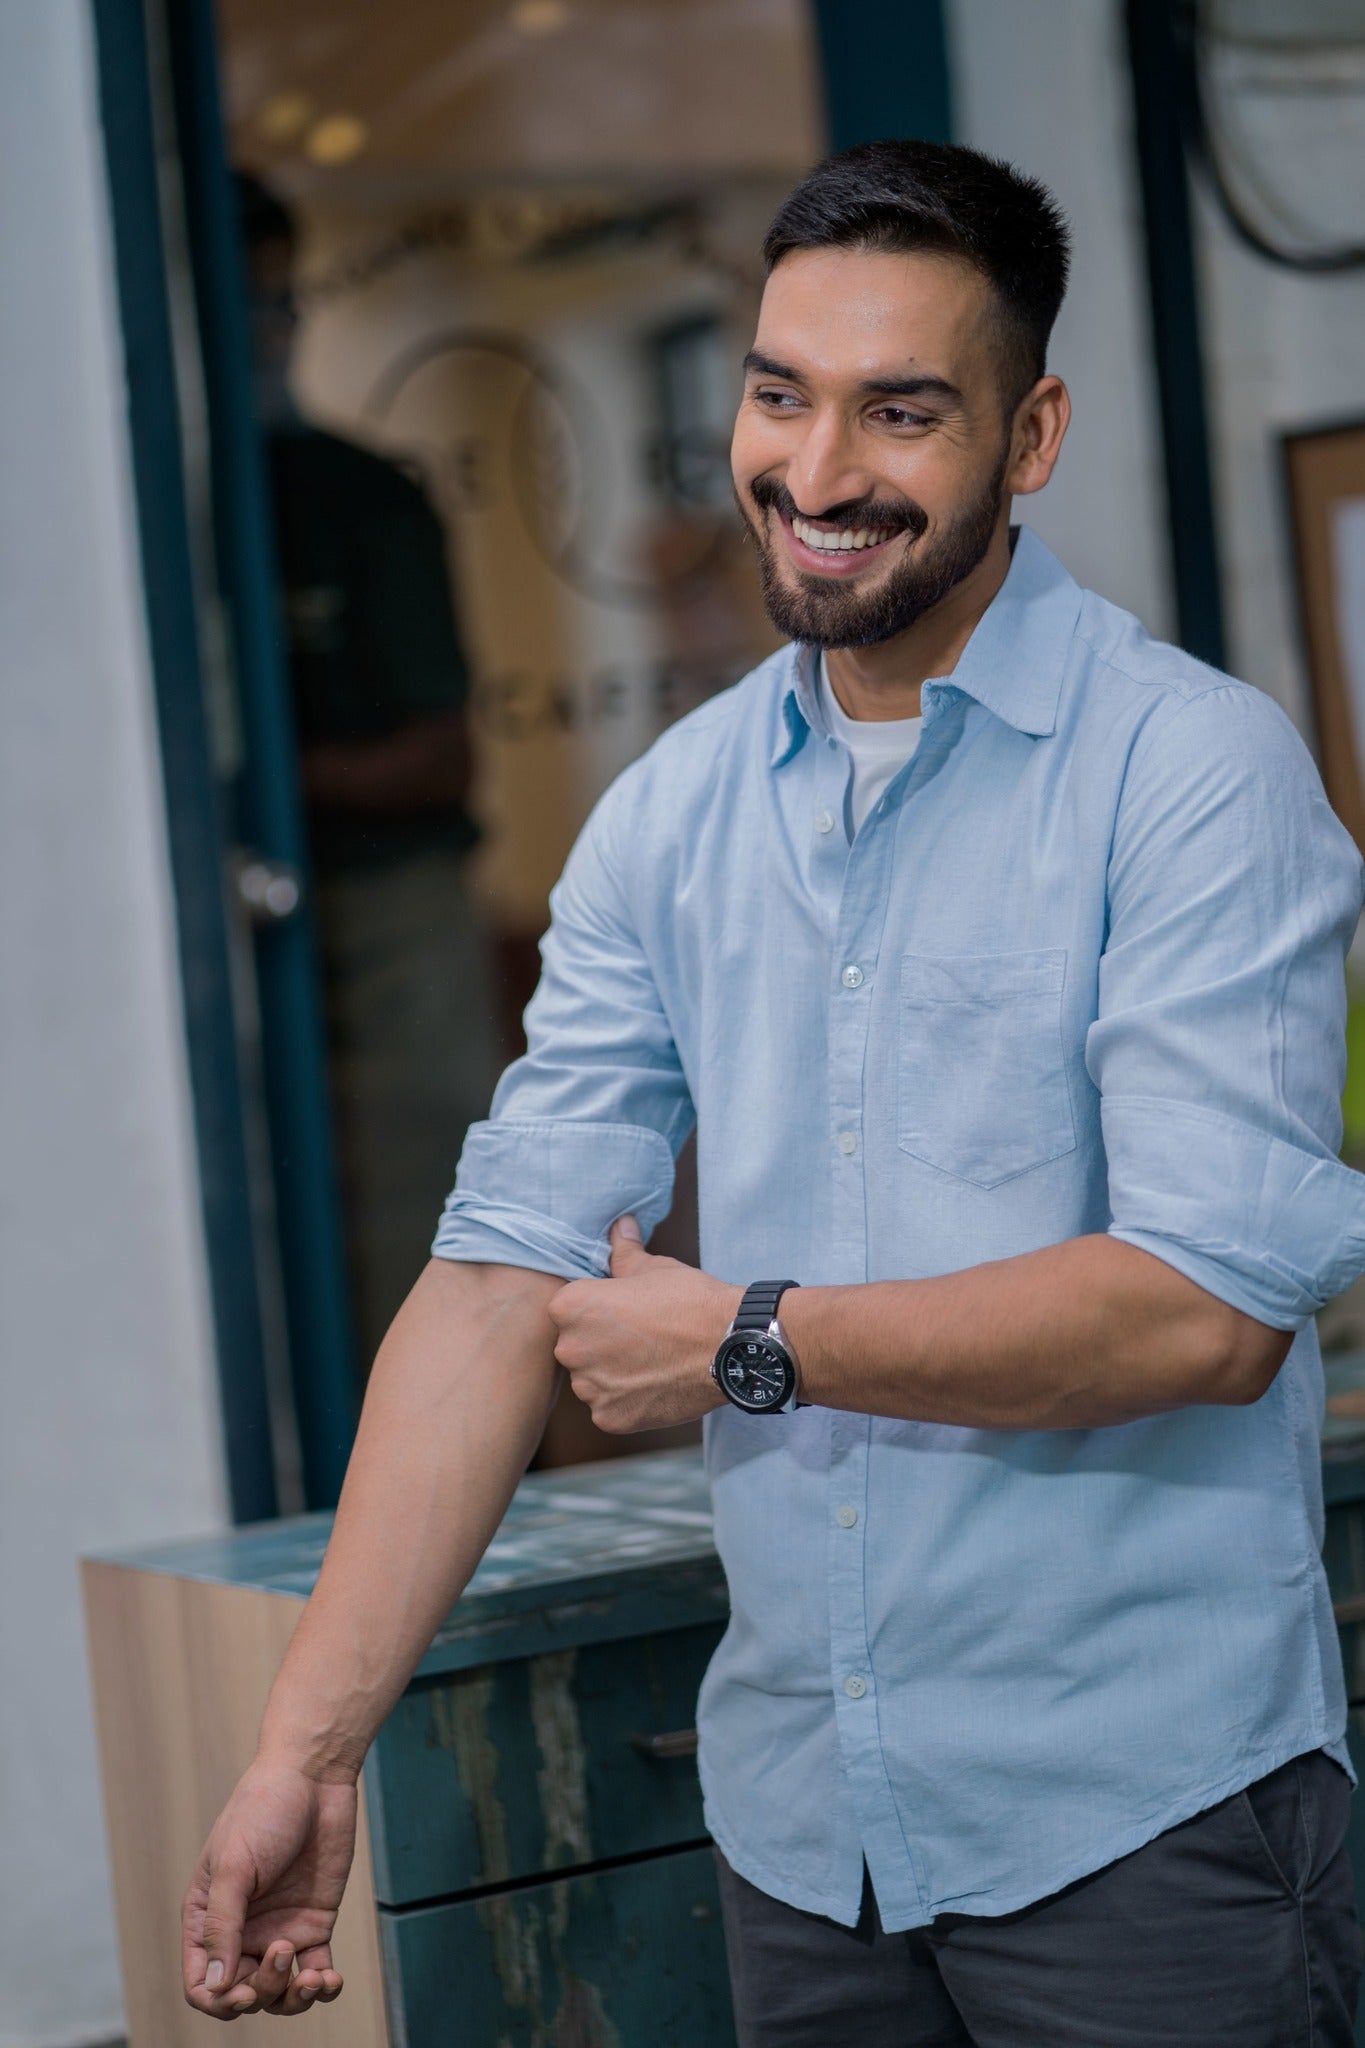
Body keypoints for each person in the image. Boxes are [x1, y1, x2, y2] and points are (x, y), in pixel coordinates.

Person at [185, 142, 1365, 2042]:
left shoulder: (1192, 775)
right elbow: (503, 1275)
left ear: (1030, 430)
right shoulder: (670, 818)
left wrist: (748, 1339)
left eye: (902, 411)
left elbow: (1205, 1308)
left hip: (1148, 1823)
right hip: (812, 1845)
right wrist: (306, 1746)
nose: (815, 476)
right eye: (778, 392)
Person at [238, 173, 500, 1372]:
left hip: (389, 910)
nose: (269, 328)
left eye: (282, 298)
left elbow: (439, 755)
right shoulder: (177, 505)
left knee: (428, 1237)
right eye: (245, 300)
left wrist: (268, 772)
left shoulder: (359, 499)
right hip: (245, 917)